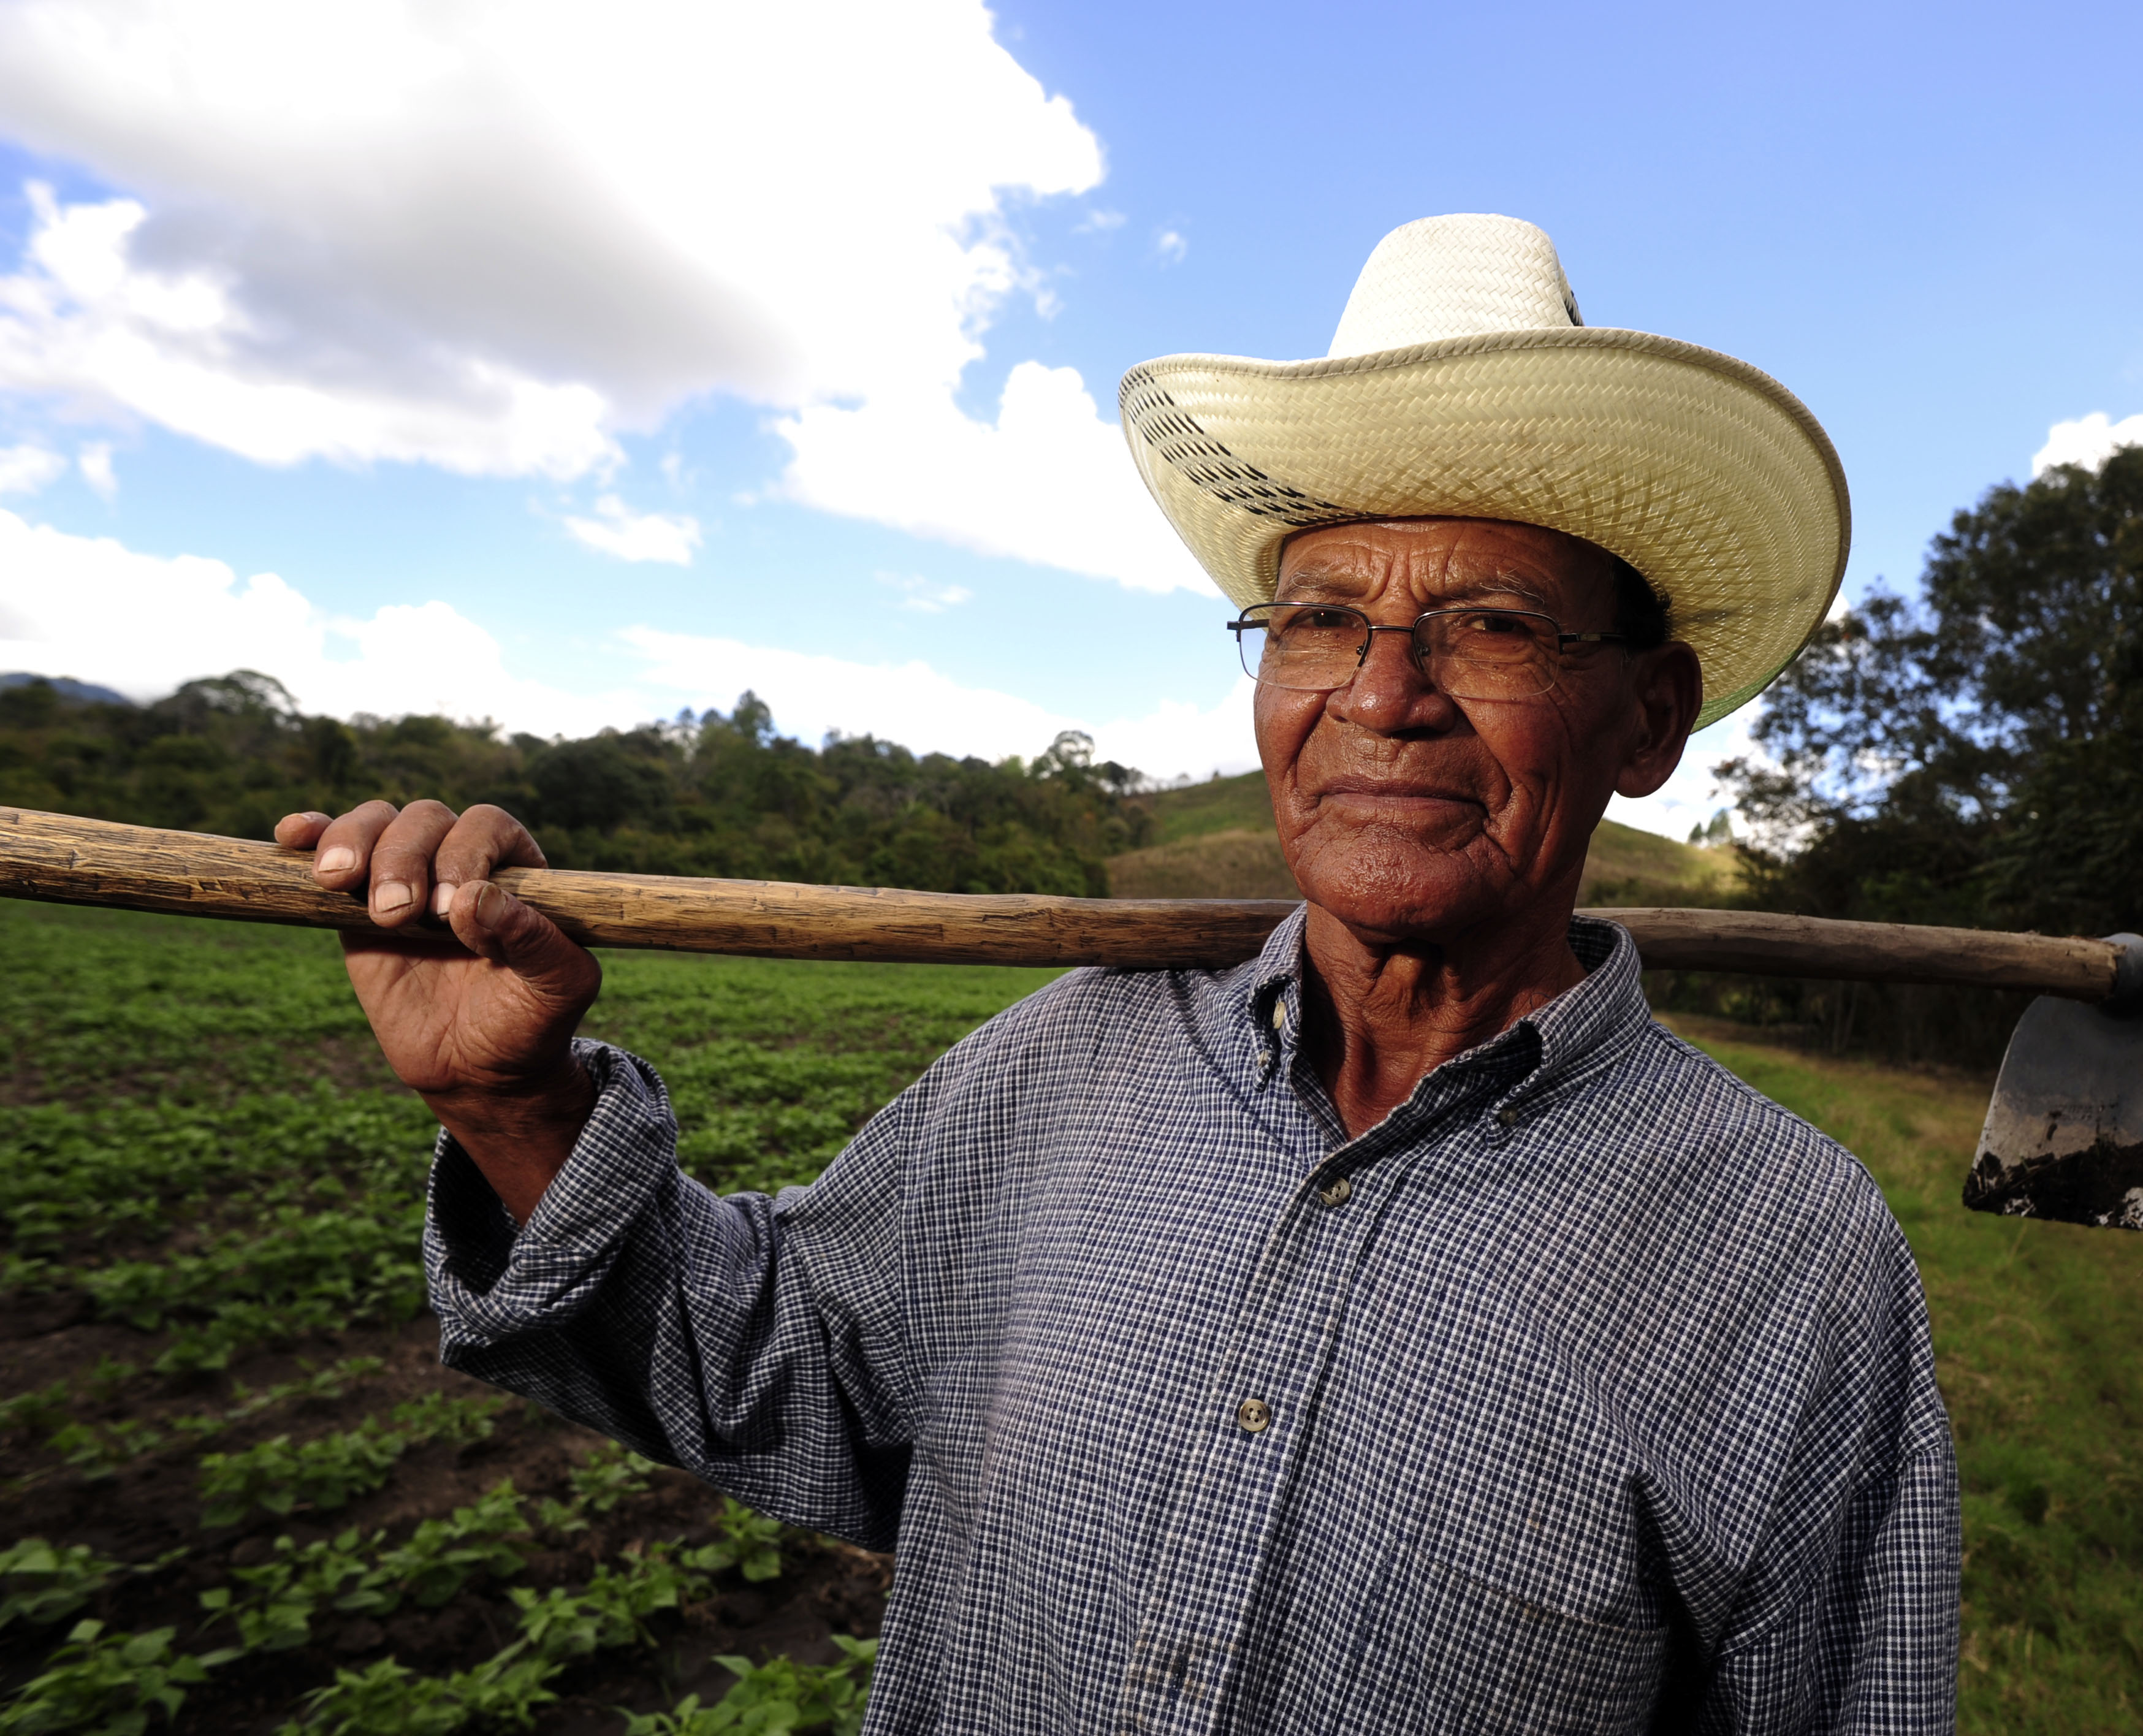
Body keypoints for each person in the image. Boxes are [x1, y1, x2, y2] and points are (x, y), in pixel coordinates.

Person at [280, 215, 1957, 1734]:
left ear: (1646, 721)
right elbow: (767, 1368)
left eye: (1493, 627)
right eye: (1318, 621)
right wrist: (514, 1105)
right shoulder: (1066, 1065)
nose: (1384, 698)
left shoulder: (1787, 1255)